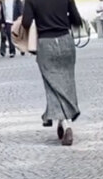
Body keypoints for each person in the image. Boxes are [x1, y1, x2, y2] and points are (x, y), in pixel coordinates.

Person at [21, 0, 83, 146]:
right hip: (66, 41)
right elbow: (76, 19)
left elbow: (26, 22)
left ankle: (66, 123)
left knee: (52, 85)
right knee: (67, 82)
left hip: (46, 42)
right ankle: (61, 121)